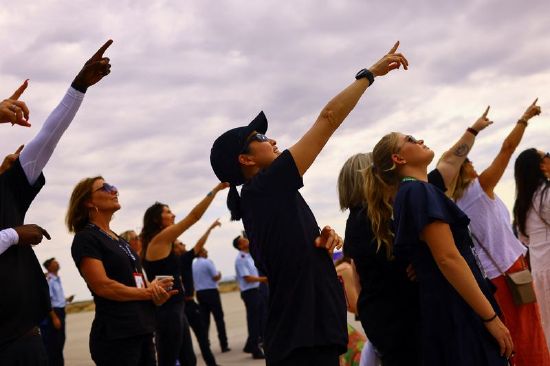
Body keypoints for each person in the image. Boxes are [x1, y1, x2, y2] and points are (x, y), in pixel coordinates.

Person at [210, 41, 408, 366]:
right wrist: (369, 74)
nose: (271, 140)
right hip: (303, 342)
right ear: (245, 159)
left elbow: (289, 259)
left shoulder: (266, 199)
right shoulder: (264, 188)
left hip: (309, 336)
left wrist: (319, 242)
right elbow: (328, 119)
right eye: (259, 138)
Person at [339, 108, 494, 365]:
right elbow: (433, 259)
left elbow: (448, 163)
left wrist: (473, 130)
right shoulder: (378, 214)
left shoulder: (403, 199)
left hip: (387, 327)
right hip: (407, 327)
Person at [0, 40, 112, 364]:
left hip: (26, 343)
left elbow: (47, 138)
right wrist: (13, 235)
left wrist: (79, 86)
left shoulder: (6, 190)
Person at [368, 131, 513, 365]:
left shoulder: (408, 194)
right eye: (411, 140)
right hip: (461, 311)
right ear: (399, 159)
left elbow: (429, 257)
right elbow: (448, 258)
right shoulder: (418, 191)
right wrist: (490, 318)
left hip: (447, 310)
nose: (420, 140)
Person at [451, 100, 549, 365]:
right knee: (530, 336)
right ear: (466, 169)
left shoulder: (452, 203)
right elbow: (507, 149)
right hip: (510, 270)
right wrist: (524, 119)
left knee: (511, 341)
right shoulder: (479, 188)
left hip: (486, 280)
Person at [68, 177, 176, 365]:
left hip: (142, 329)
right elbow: (103, 286)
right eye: (106, 188)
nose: (114, 191)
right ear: (88, 201)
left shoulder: (119, 240)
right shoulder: (86, 238)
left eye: (114, 187)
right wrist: (147, 292)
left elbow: (137, 283)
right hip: (117, 336)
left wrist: (155, 293)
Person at [140, 182, 228, 366]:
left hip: (176, 309)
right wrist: (215, 190)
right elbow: (194, 216)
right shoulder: (159, 240)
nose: (173, 215)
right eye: (167, 212)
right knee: (169, 359)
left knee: (188, 359)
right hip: (168, 311)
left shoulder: (162, 243)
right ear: (157, 219)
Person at [514, 148, 550, 349]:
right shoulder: (546, 193)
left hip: (539, 268)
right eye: (544, 155)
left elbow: (523, 238)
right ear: (539, 165)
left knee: (547, 323)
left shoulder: (522, 203)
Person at [173, 218, 222, 366]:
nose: (184, 244)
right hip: (187, 304)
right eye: (180, 244)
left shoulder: (174, 261)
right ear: (174, 249)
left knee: (184, 342)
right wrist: (210, 228)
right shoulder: (184, 259)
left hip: (181, 306)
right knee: (201, 338)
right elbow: (199, 244)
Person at [233, 234, 267, 359]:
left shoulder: (249, 256)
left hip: (255, 290)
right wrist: (265, 279)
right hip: (250, 292)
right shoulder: (241, 258)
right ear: (240, 245)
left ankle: (254, 345)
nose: (247, 240)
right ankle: (255, 349)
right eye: (244, 240)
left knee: (261, 319)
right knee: (254, 321)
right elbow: (247, 278)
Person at [193, 246, 230, 353]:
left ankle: (205, 344)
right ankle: (224, 344)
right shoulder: (207, 262)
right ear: (201, 253)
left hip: (200, 293)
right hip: (211, 292)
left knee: (205, 320)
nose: (207, 251)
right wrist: (219, 275)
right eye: (204, 250)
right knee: (219, 318)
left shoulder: (193, 265)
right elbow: (215, 277)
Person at [41, 258, 74, 366]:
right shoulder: (49, 280)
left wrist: (66, 300)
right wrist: (54, 317)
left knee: (59, 343)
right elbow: (47, 300)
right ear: (49, 267)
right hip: (54, 313)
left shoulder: (56, 279)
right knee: (54, 345)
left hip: (60, 311)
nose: (58, 263)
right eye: (54, 262)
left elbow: (56, 299)